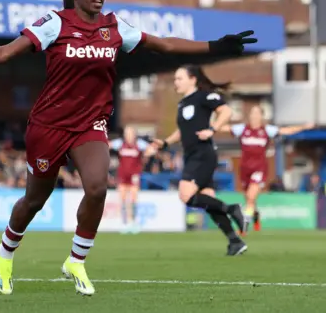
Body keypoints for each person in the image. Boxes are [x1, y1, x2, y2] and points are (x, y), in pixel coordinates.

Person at [0, 0, 256, 296]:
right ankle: (5, 251)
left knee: (97, 188)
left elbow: (164, 46)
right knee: (35, 200)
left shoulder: (114, 28)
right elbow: (8, 51)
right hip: (48, 126)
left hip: (90, 123)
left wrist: (216, 47)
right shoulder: (55, 24)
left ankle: (76, 260)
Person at [153, 65, 247, 256]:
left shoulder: (204, 96)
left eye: (179, 78)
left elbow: (226, 112)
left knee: (185, 195)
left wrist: (212, 130)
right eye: (175, 79)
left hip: (202, 154)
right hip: (192, 155)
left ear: (192, 79)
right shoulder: (183, 103)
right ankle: (235, 241)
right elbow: (183, 131)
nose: (175, 83)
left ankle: (232, 208)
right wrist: (165, 143)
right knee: (208, 201)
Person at [217, 105, 313, 233]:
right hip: (245, 169)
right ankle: (255, 215)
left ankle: (243, 226)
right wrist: (209, 124)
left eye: (257, 113)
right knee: (248, 199)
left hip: (259, 169)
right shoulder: (242, 129)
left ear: (261, 116)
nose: (254, 116)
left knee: (251, 196)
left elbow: (286, 131)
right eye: (252, 113)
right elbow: (223, 128)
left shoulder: (267, 130)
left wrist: (303, 127)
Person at [108, 125, 156, 234]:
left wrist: (147, 154)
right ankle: (124, 223)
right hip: (122, 175)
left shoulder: (139, 144)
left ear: (134, 134)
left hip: (134, 175)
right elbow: (108, 145)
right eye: (127, 133)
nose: (129, 136)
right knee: (123, 200)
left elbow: (151, 150)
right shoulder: (120, 143)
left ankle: (133, 222)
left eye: (130, 133)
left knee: (133, 199)